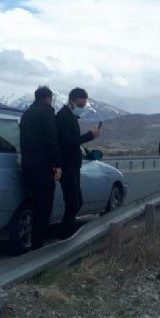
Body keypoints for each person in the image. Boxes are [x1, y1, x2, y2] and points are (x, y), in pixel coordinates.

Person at [20, 86, 62, 250]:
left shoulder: (26, 114)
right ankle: (37, 245)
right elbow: (52, 139)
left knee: (34, 204)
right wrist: (57, 164)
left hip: (27, 165)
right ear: (48, 98)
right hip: (43, 167)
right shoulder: (46, 113)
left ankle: (30, 240)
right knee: (44, 207)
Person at [55, 87, 101, 239]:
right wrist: (89, 136)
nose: (82, 109)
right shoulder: (63, 117)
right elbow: (68, 142)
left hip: (73, 165)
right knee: (72, 201)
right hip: (66, 165)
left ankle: (66, 231)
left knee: (76, 201)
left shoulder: (72, 117)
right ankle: (65, 234)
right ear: (72, 102)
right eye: (80, 106)